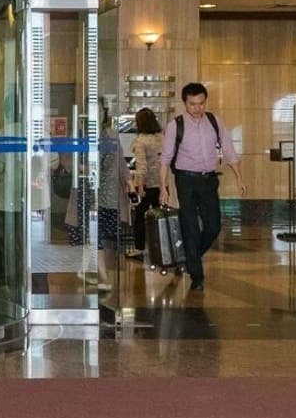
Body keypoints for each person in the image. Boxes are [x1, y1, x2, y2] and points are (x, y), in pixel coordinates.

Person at [160, 83, 244, 292]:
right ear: (185, 103)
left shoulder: (214, 121)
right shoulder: (175, 126)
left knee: (213, 226)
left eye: (201, 103)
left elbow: (229, 149)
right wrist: (163, 187)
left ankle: (189, 258)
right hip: (185, 180)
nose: (197, 108)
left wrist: (239, 177)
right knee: (190, 227)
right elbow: (166, 159)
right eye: (192, 104)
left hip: (208, 180)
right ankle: (197, 276)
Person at [94, 104, 130, 289]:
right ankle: (104, 277)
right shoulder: (86, 135)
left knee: (106, 236)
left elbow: (121, 161)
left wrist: (129, 181)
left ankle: (103, 274)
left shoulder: (111, 135)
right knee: (96, 235)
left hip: (110, 194)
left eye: (99, 110)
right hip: (92, 192)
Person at [125, 107, 164, 260]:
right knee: (159, 217)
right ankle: (162, 249)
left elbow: (141, 167)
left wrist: (139, 186)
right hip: (161, 184)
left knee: (140, 216)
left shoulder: (140, 141)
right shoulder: (161, 138)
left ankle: (139, 248)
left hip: (147, 185)